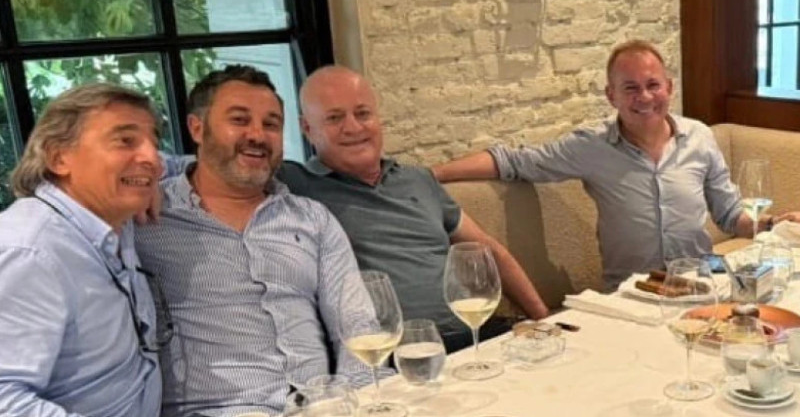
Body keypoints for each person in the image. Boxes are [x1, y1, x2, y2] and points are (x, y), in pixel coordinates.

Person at [135, 66, 382, 417]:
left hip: (322, 406)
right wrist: (140, 182)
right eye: (239, 120)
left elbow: (356, 326)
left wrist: (357, 402)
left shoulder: (312, 218)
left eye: (271, 124)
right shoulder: (146, 220)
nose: (257, 135)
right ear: (197, 128)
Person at [432, 40, 760, 291]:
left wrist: (770, 224)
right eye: (630, 88)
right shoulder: (591, 147)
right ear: (611, 96)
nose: (645, 97)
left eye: (653, 85)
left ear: (669, 88)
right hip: (633, 294)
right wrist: (433, 175)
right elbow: (514, 161)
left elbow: (731, 216)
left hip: (701, 286)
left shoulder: (700, 137)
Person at [278, 66, 549, 353]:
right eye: (334, 118)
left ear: (378, 119)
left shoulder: (418, 179)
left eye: (363, 113)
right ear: (307, 129)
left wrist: (545, 320)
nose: (353, 128)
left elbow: (488, 251)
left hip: (474, 333)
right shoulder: (296, 186)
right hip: (390, 352)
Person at [0, 84, 163, 417]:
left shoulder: (107, 215)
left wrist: (145, 183)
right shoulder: (30, 252)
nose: (153, 159)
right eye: (125, 141)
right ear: (59, 157)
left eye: (154, 143)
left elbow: (205, 165)